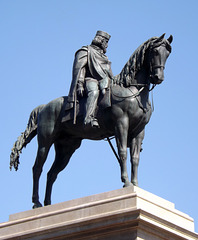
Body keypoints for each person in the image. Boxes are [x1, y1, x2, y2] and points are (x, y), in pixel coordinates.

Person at [66, 30, 113, 128]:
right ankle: (88, 118)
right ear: (100, 40)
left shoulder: (104, 57)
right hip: (89, 80)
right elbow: (80, 69)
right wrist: (79, 84)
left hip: (104, 81)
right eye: (106, 42)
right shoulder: (86, 51)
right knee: (94, 92)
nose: (107, 45)